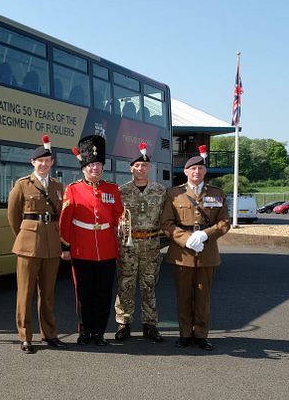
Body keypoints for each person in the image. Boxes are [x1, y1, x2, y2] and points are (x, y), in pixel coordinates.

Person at [160, 145, 230, 351]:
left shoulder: (217, 194)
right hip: (182, 252)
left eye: (200, 169)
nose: (196, 172)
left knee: (203, 296)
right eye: (192, 169)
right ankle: (184, 334)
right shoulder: (174, 194)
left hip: (207, 252)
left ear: (205, 171)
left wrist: (204, 234)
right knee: (183, 296)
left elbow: (225, 222)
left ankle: (200, 334)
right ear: (185, 172)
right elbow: (166, 223)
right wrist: (185, 238)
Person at [59, 135, 122, 346]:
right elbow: (65, 220)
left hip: (106, 249)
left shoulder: (112, 189)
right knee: (84, 293)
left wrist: (123, 227)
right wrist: (65, 246)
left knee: (103, 294)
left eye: (98, 165)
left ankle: (99, 332)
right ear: (83, 168)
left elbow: (118, 216)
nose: (95, 168)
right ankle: (84, 330)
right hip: (81, 248)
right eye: (91, 165)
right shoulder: (73, 189)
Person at [7, 135, 67, 354]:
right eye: (39, 161)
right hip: (28, 245)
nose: (44, 164)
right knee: (25, 293)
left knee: (48, 293)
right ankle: (25, 337)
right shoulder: (22, 185)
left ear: (51, 163)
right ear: (33, 162)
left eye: (47, 161)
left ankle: (49, 334)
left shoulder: (58, 186)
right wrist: (24, 236)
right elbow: (13, 217)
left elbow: (61, 215)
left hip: (52, 245)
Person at [114, 143, 166, 342]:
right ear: (131, 168)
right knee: (125, 284)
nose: (140, 169)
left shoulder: (160, 191)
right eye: (136, 166)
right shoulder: (122, 191)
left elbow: (166, 217)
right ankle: (123, 323)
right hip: (128, 245)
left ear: (149, 168)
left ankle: (150, 325)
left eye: (144, 166)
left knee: (149, 285)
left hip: (151, 244)